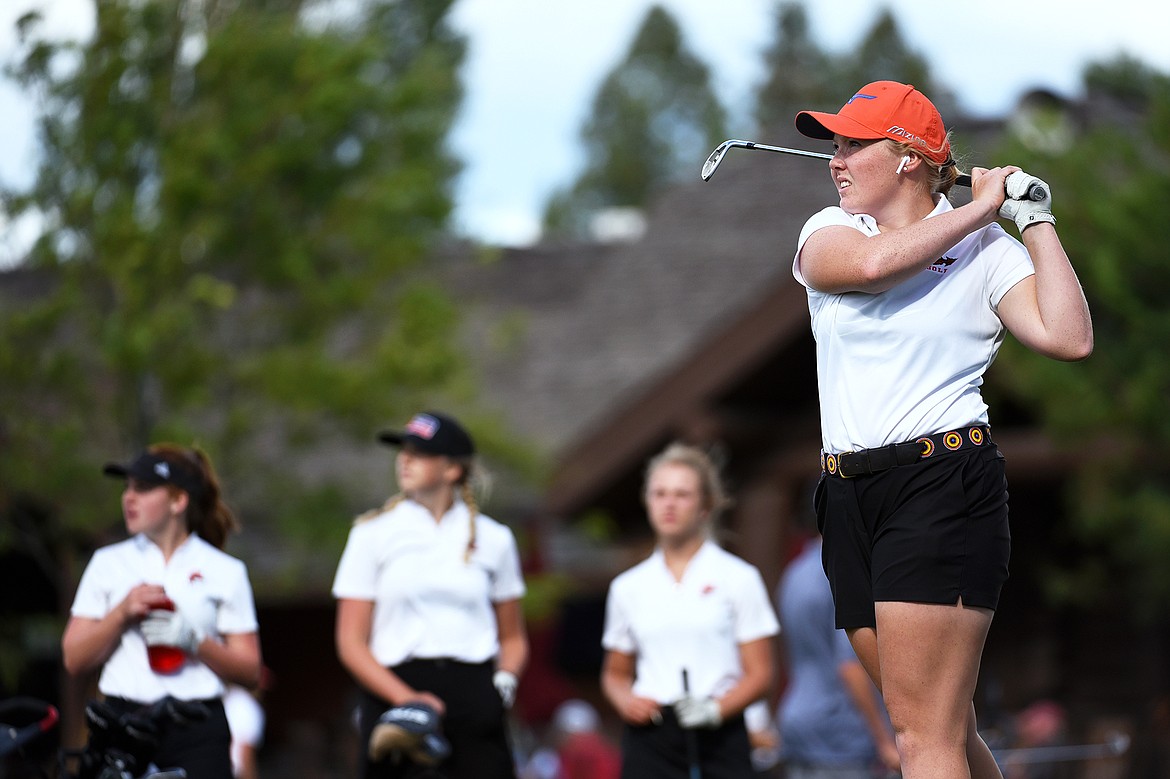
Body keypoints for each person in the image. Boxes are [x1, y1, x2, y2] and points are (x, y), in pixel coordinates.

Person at [790, 80, 1093, 779]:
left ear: (905, 157)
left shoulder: (988, 250)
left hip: (941, 485)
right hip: (846, 499)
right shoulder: (830, 233)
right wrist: (981, 207)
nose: (834, 161)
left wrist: (1032, 220)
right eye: (833, 145)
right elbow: (870, 267)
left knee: (922, 736)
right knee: (939, 728)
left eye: (851, 145)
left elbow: (1068, 338)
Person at [332, 411, 528, 779]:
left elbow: (513, 637)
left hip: (473, 693)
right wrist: (407, 701)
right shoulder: (371, 534)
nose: (404, 460)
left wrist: (503, 683)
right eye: (402, 451)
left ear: (452, 469)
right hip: (394, 694)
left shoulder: (495, 538)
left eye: (419, 453)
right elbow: (350, 641)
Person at [62, 444, 263, 779]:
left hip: (197, 728)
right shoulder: (108, 563)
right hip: (122, 723)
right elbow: (73, 657)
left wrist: (194, 641)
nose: (129, 498)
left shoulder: (225, 570)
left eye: (142, 489)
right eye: (127, 488)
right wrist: (121, 614)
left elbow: (249, 670)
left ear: (177, 501)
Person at [601, 442, 779, 778]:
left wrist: (715, 710)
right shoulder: (627, 587)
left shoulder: (739, 578)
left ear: (705, 506)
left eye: (682, 494)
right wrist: (626, 701)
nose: (669, 504)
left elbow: (760, 674)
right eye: (660, 493)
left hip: (721, 732)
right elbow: (615, 674)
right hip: (651, 737)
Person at [775, 526, 899, 778]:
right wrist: (884, 741)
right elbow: (850, 666)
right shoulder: (844, 571)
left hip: (796, 719)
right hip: (841, 730)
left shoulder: (795, 571)